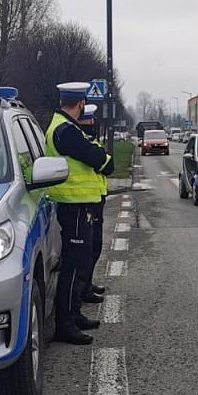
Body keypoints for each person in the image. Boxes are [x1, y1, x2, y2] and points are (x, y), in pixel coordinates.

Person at [45, 82, 114, 345]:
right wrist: (104, 160)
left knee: (80, 264)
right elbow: (93, 156)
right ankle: (66, 325)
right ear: (81, 103)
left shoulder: (65, 127)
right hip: (73, 206)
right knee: (74, 268)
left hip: (80, 205)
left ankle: (73, 315)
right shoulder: (65, 131)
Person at [77, 103, 109, 302]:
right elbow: (105, 165)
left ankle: (86, 285)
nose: (93, 123)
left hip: (94, 198)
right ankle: (83, 289)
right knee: (87, 250)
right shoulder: (80, 141)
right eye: (89, 119)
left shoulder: (88, 140)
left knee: (94, 247)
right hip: (82, 200)